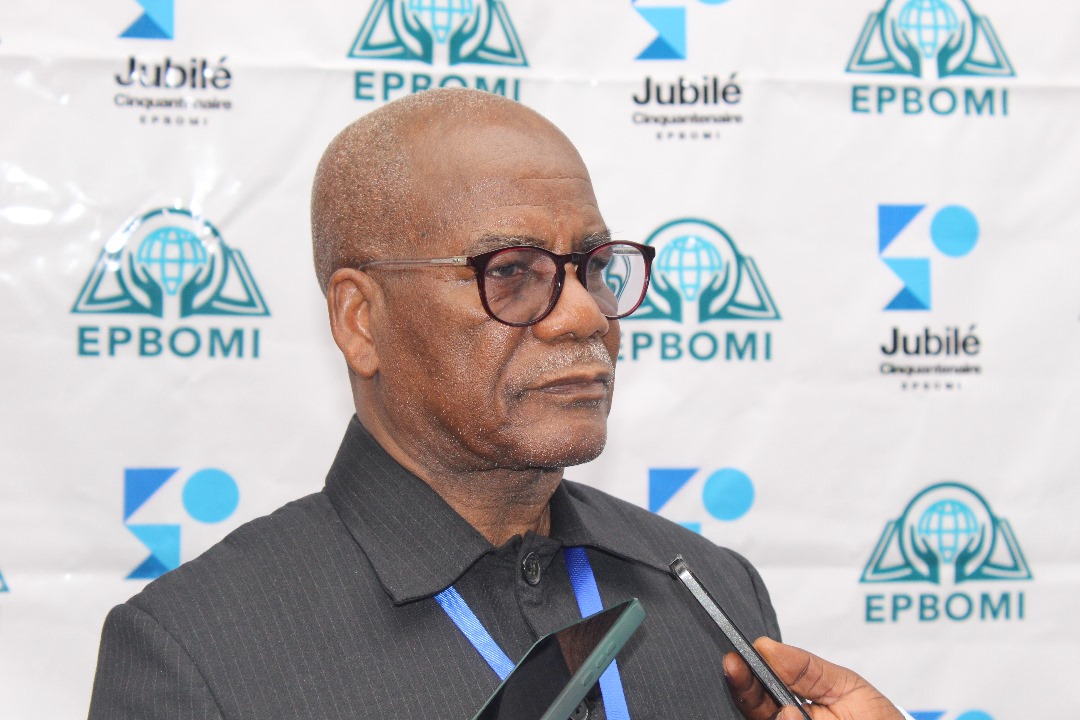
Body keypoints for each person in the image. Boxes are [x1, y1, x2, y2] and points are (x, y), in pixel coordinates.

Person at [88, 88, 907, 720]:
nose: (583, 315)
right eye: (510, 272)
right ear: (360, 319)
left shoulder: (711, 593)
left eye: (594, 267)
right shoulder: (196, 651)